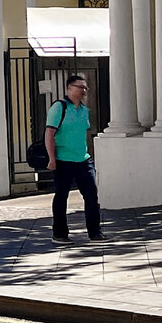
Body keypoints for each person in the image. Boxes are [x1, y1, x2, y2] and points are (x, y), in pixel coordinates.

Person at [45, 74, 106, 243]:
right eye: (80, 87)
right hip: (63, 160)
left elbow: (83, 134)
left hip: (83, 160)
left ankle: (95, 233)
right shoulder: (59, 107)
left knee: (91, 196)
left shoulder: (84, 110)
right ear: (69, 88)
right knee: (61, 196)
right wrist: (52, 158)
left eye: (85, 87)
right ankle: (60, 234)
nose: (84, 91)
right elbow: (49, 133)